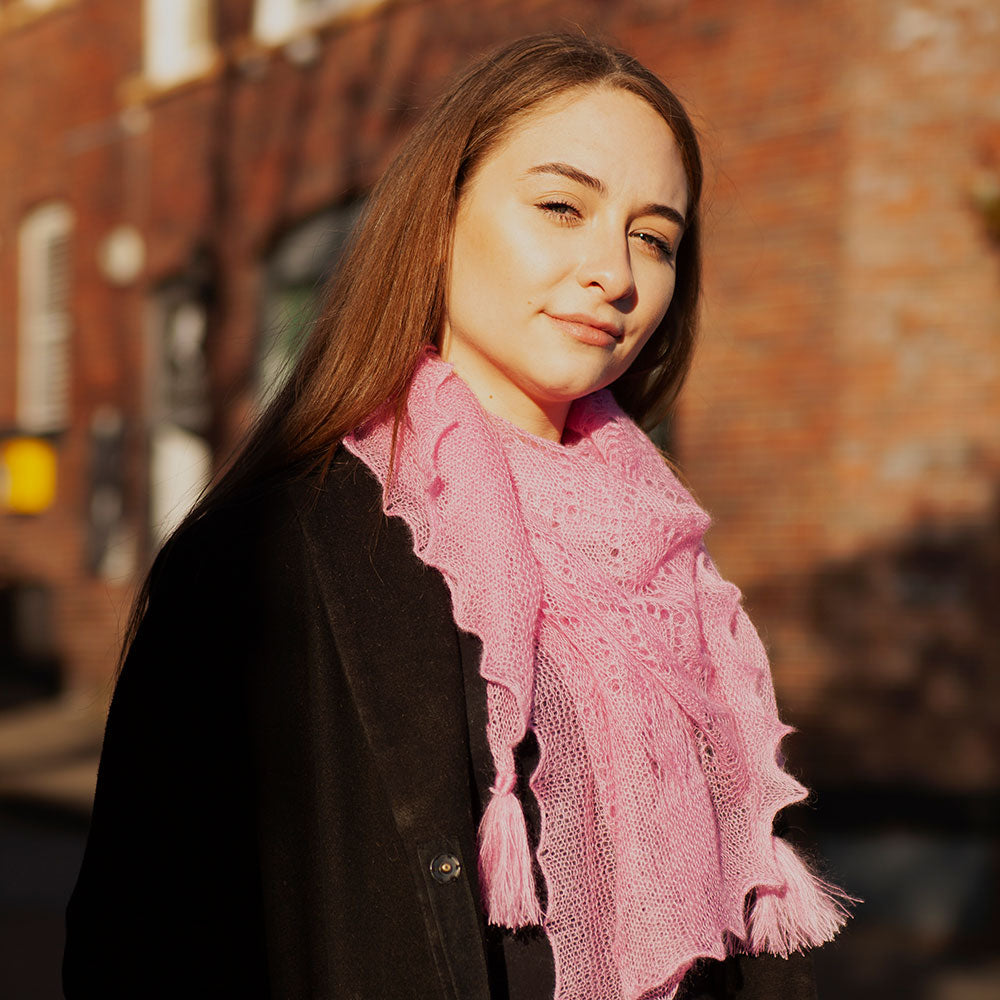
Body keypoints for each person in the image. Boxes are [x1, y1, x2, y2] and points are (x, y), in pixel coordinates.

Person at [63, 33, 849, 1000]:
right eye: (562, 207)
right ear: (439, 219)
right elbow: (145, 943)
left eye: (655, 236)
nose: (616, 272)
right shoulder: (273, 550)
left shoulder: (665, 554)